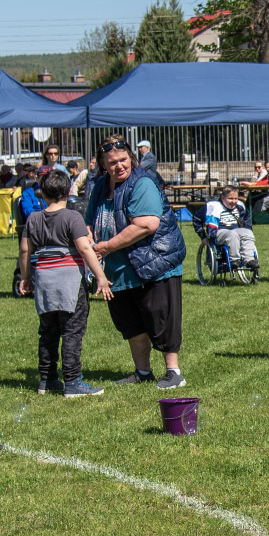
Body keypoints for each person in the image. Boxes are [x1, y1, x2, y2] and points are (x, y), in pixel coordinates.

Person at [86, 134, 188, 389]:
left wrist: (105, 247)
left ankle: (174, 372)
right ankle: (143, 372)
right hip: (119, 268)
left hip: (154, 263)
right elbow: (89, 219)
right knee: (130, 323)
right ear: (103, 164)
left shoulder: (142, 182)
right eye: (112, 163)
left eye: (123, 160)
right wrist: (88, 237)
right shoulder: (100, 186)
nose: (119, 166)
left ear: (131, 157)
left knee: (160, 318)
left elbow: (146, 225)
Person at [18, 167, 113, 397]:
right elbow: (83, 248)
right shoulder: (72, 217)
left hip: (44, 280)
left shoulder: (33, 218)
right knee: (72, 330)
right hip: (70, 281)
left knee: (48, 330)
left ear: (42, 192)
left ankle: (47, 379)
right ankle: (72, 381)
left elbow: (24, 250)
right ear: (69, 190)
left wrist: (26, 277)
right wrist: (100, 276)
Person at [203, 185, 258, 269]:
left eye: (236, 198)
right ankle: (235, 260)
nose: (233, 201)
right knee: (232, 234)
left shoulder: (240, 206)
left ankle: (249, 260)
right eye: (230, 199)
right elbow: (196, 219)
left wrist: (246, 229)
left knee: (248, 233)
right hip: (219, 232)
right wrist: (202, 236)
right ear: (223, 197)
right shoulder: (214, 206)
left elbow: (247, 220)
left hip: (236, 230)